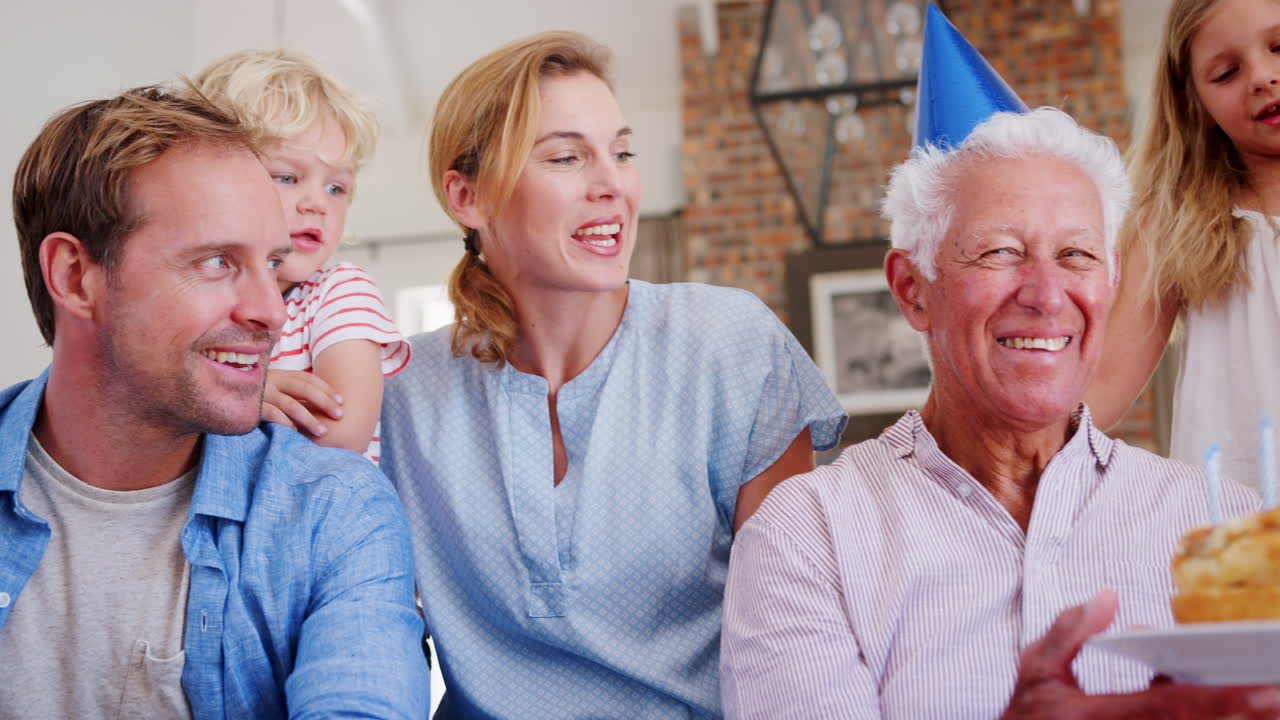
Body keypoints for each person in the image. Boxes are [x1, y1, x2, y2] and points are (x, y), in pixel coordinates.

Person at [721, 8, 1273, 719]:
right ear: (912, 289)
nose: (1046, 294)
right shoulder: (809, 536)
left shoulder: (1222, 524)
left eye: (1075, 254)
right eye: (1000, 252)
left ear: (1111, 282)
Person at [379, 31, 847, 718]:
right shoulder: (398, 392)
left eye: (622, 153)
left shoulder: (728, 345)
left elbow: (794, 636)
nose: (612, 185)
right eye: (567, 157)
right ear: (467, 196)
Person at [0, 85, 427, 718]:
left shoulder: (336, 511)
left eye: (274, 263)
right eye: (217, 262)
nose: (272, 312)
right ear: (74, 276)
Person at [1086, 0, 1280, 493]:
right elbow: (1106, 382)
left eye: (1279, 47)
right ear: (1194, 101)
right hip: (1239, 516)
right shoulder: (1173, 224)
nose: (1262, 77)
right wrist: (996, 443)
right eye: (1227, 73)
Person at [193, 49, 410, 462]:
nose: (318, 204)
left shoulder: (338, 293)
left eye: (336, 188)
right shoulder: (196, 298)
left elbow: (339, 434)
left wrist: (241, 393)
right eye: (287, 177)